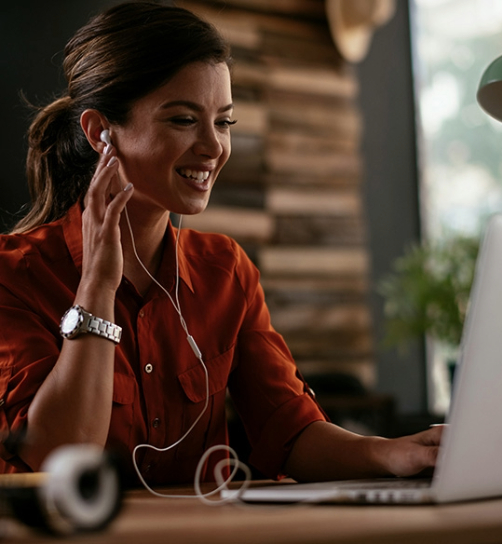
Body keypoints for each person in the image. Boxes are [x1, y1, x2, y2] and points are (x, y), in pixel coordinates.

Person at [0, 1, 443, 487]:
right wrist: (98, 287)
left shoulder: (226, 270)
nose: (213, 147)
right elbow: (58, 455)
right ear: (100, 133)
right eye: (183, 120)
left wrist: (393, 454)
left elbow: (290, 433)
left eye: (224, 122)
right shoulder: (14, 274)